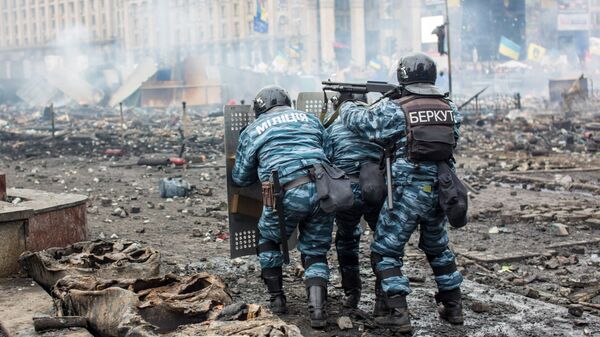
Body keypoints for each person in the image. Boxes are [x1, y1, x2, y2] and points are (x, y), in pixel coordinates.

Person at [338, 53, 464, 332]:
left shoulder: (397, 109)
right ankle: (454, 307)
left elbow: (362, 123)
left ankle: (397, 313)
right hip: (442, 190)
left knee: (386, 251)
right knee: (438, 248)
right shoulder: (450, 108)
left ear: (403, 77)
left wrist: (347, 102)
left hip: (407, 192)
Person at [232, 85, 334, 328]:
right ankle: (318, 311)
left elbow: (241, 177)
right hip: (323, 189)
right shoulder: (310, 119)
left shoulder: (254, 129)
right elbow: (329, 153)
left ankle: (278, 300)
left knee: (268, 239)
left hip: (284, 193)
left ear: (259, 108)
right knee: (315, 250)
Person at [324, 96, 385, 309]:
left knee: (347, 238)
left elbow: (326, 159)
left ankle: (352, 292)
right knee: (384, 241)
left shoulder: (332, 127)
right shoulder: (374, 123)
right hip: (375, 189)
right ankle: (383, 299)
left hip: (346, 191)